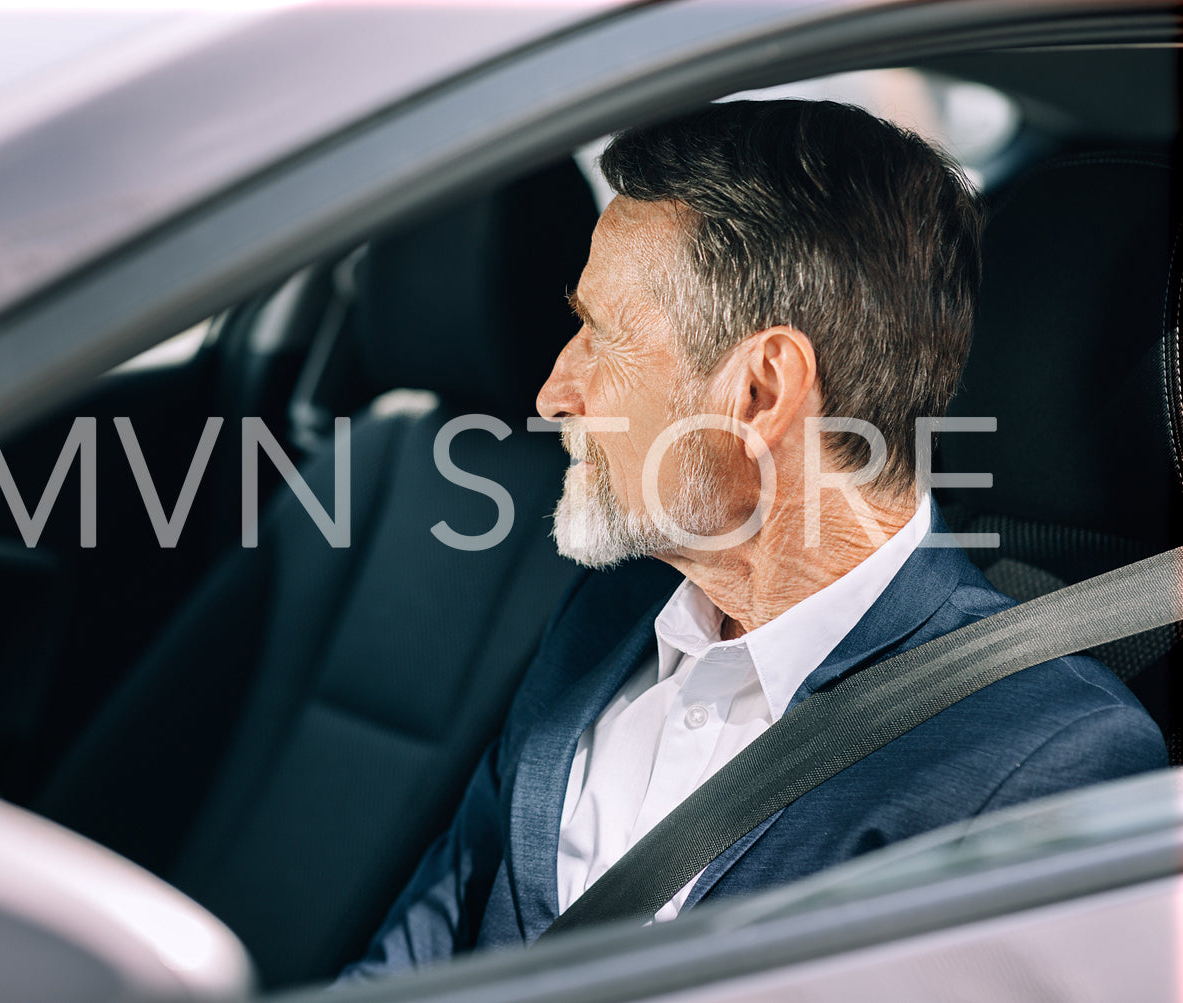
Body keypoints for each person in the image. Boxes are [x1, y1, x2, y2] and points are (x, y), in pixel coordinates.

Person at [337, 99, 1167, 979]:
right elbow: (420, 955)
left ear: (762, 392)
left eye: (601, 337)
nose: (553, 390)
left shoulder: (1039, 761)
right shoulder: (607, 616)